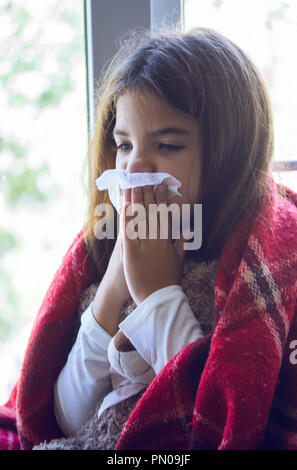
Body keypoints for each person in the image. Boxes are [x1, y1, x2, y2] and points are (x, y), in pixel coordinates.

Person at [2, 26, 297, 451]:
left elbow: (216, 428)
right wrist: (113, 288)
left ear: (228, 156)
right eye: (124, 145)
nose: (135, 169)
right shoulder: (104, 249)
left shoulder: (267, 267)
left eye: (168, 145)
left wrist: (157, 294)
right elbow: (62, 420)